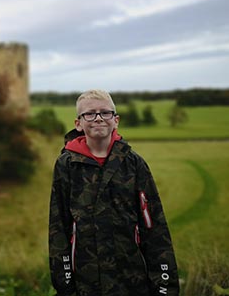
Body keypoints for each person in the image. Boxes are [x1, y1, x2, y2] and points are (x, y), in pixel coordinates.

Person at [49, 90, 179, 296]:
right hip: (85, 284)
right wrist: (64, 285)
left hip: (133, 283)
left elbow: (154, 227)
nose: (98, 118)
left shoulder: (134, 164)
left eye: (105, 113)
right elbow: (59, 228)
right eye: (89, 114)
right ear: (78, 123)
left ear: (116, 120)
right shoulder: (67, 165)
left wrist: (165, 287)